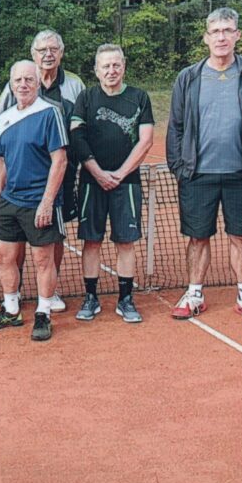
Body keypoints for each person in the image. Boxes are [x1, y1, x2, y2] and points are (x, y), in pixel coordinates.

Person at [167, 7, 242, 323]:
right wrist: (179, 167)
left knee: (241, 237)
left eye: (228, 30)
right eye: (215, 31)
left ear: (237, 35)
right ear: (206, 37)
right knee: (197, 237)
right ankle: (194, 294)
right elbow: (176, 126)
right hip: (197, 174)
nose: (221, 37)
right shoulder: (188, 77)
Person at [0, 29, 85, 312]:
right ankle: (15, 291)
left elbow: (82, 124)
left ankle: (49, 294)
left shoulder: (74, 85)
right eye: (42, 50)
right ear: (33, 54)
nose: (48, 54)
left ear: (61, 53)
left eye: (53, 49)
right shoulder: (18, 83)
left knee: (53, 236)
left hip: (60, 172)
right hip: (19, 178)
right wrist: (10, 157)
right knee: (14, 238)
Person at [69, 44, 154, 323]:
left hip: (127, 184)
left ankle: (125, 299)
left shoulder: (139, 97)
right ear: (96, 70)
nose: (111, 70)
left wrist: (119, 173)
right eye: (105, 66)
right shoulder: (86, 98)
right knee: (91, 241)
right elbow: (77, 137)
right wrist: (98, 172)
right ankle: (91, 297)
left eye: (116, 65)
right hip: (91, 183)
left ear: (124, 66)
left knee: (125, 242)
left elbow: (145, 140)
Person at [0, 60, 67, 342]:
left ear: (37, 82)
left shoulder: (50, 113)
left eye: (29, 79)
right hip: (9, 201)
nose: (23, 84)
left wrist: (47, 202)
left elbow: (60, 160)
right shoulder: (4, 117)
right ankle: (11, 309)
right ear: (11, 84)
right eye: (18, 80)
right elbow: (2, 160)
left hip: (39, 200)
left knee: (42, 259)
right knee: (4, 256)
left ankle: (43, 313)